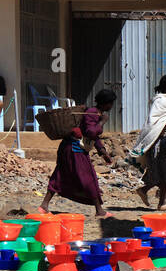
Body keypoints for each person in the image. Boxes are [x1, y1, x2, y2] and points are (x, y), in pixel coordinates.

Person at [40, 88, 116, 217]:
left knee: (61, 174)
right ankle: (99, 210)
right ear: (106, 103)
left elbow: (93, 137)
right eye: (111, 103)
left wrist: (102, 152)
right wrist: (102, 122)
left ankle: (44, 205)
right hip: (75, 150)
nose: (111, 106)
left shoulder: (94, 112)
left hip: (68, 148)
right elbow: (91, 132)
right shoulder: (93, 113)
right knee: (89, 178)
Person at [133, 74, 166, 211]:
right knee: (162, 170)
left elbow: (165, 119)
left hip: (164, 141)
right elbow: (153, 121)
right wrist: (165, 126)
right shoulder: (161, 101)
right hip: (157, 141)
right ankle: (157, 199)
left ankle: (158, 200)